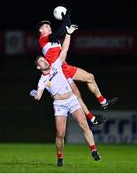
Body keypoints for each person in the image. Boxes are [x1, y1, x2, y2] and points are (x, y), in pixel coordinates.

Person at [30, 25, 101, 166]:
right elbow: (38, 96)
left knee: (84, 125)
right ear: (38, 67)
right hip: (59, 105)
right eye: (41, 62)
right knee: (60, 134)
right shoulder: (42, 80)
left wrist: (68, 33)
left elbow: (65, 49)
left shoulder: (56, 64)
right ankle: (60, 158)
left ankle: (94, 151)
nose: (44, 61)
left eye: (44, 60)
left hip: (71, 100)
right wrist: (33, 94)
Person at [37, 11, 118, 126]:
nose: (49, 27)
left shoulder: (53, 40)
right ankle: (92, 119)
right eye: (45, 26)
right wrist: (65, 20)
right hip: (59, 71)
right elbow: (60, 31)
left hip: (66, 66)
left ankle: (103, 102)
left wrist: (67, 17)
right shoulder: (43, 39)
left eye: (49, 25)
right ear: (41, 31)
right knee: (76, 94)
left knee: (90, 77)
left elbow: (65, 29)